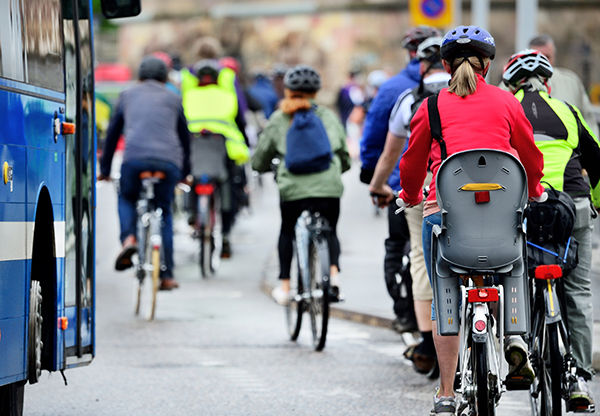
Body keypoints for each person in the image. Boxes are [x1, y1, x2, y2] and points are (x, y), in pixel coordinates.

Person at [397, 26, 546, 415]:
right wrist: (534, 190)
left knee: (444, 292)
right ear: (489, 65)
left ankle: (446, 393)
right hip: (499, 220)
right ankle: (515, 337)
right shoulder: (507, 102)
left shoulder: (430, 108)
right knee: (514, 261)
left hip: (446, 219)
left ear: (445, 65)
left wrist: (411, 197)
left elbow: (411, 164)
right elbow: (529, 156)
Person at [502, 49, 600, 410]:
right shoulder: (568, 111)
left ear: (510, 83)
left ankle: (520, 346)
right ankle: (579, 378)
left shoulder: (505, 108)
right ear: (548, 82)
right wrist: (597, 201)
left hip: (523, 206)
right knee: (578, 289)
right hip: (570, 206)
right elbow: (597, 159)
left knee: (515, 273)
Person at [369, 36, 450, 377]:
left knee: (421, 256)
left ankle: (429, 343)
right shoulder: (477, 95)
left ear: (420, 66)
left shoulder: (410, 99)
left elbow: (393, 153)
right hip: (481, 189)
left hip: (428, 190)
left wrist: (378, 186)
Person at [359, 25, 442, 334]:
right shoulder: (468, 88)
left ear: (414, 56)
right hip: (466, 186)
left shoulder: (397, 89)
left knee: (403, 250)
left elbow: (376, 135)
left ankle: (408, 320)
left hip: (405, 185)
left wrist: (371, 177)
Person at [251, 65, 351, 305]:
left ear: (287, 91)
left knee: (287, 230)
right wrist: (340, 169)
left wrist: (262, 167)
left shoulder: (278, 119)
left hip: (293, 190)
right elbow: (343, 153)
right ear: (316, 92)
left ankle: (285, 286)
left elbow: (260, 158)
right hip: (328, 187)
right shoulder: (327, 116)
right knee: (330, 230)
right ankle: (334, 275)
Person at [98, 56, 191, 291]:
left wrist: (106, 170)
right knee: (164, 209)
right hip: (168, 163)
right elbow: (185, 138)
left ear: (139, 76)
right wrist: (185, 173)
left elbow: (112, 135)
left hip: (134, 160)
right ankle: (167, 275)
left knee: (127, 196)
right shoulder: (173, 97)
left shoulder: (127, 95)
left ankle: (129, 239)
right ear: (165, 77)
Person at [182, 58, 250, 259]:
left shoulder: (189, 94)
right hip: (224, 148)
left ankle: (192, 213)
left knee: (191, 178)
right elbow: (240, 120)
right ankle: (226, 235)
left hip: (195, 147)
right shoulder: (227, 93)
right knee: (228, 185)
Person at [528, 34, 599, 137]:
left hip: (570, 150)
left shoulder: (571, 82)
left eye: (547, 57)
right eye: (537, 57)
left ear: (554, 56)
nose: (542, 61)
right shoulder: (510, 85)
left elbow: (588, 120)